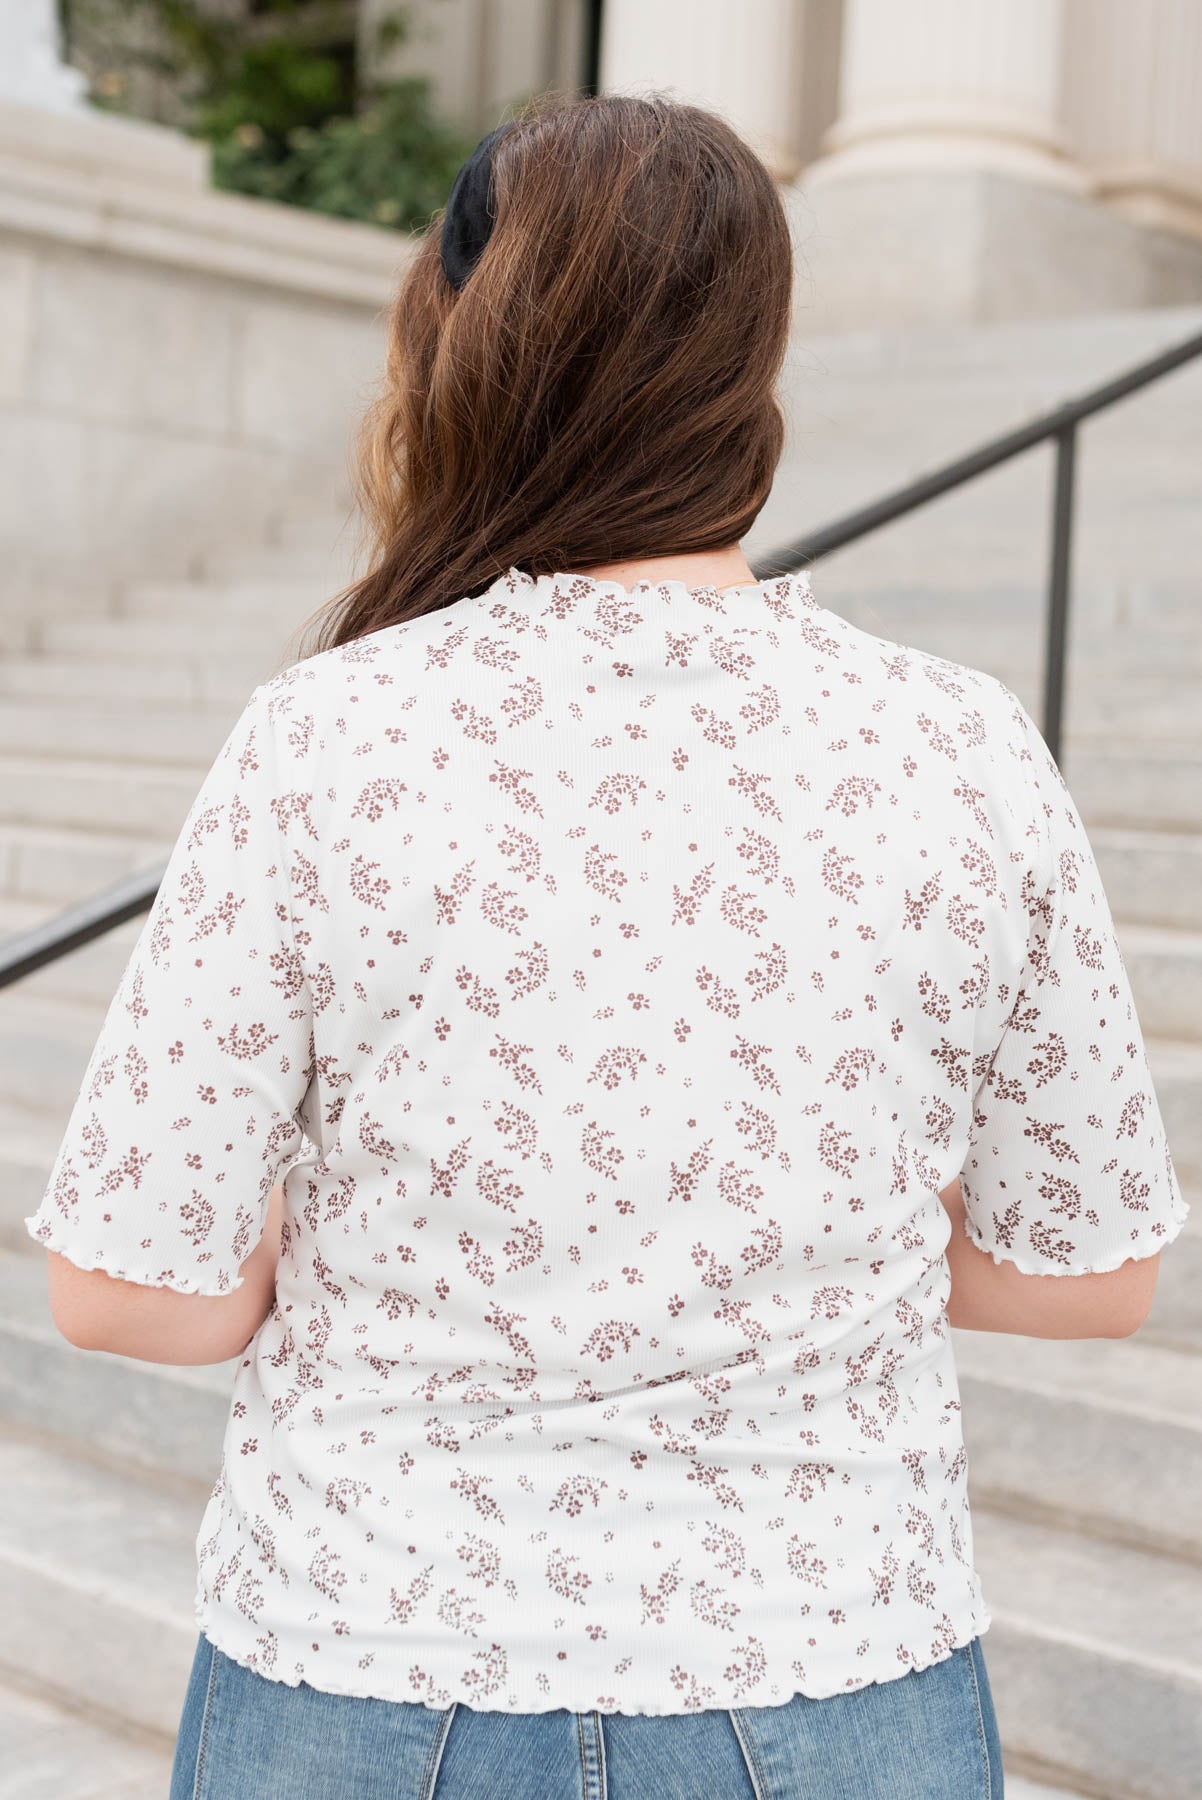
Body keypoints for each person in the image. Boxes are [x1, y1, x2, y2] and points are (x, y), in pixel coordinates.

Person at [26, 90, 1188, 1800]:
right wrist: (805, 1238)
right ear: (754, 360)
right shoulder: (957, 745)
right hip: (830, 1664)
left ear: (461, 339)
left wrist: (344, 1244)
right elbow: (1092, 1275)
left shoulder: (336, 737)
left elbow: (123, 1294)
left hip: (371, 1655)